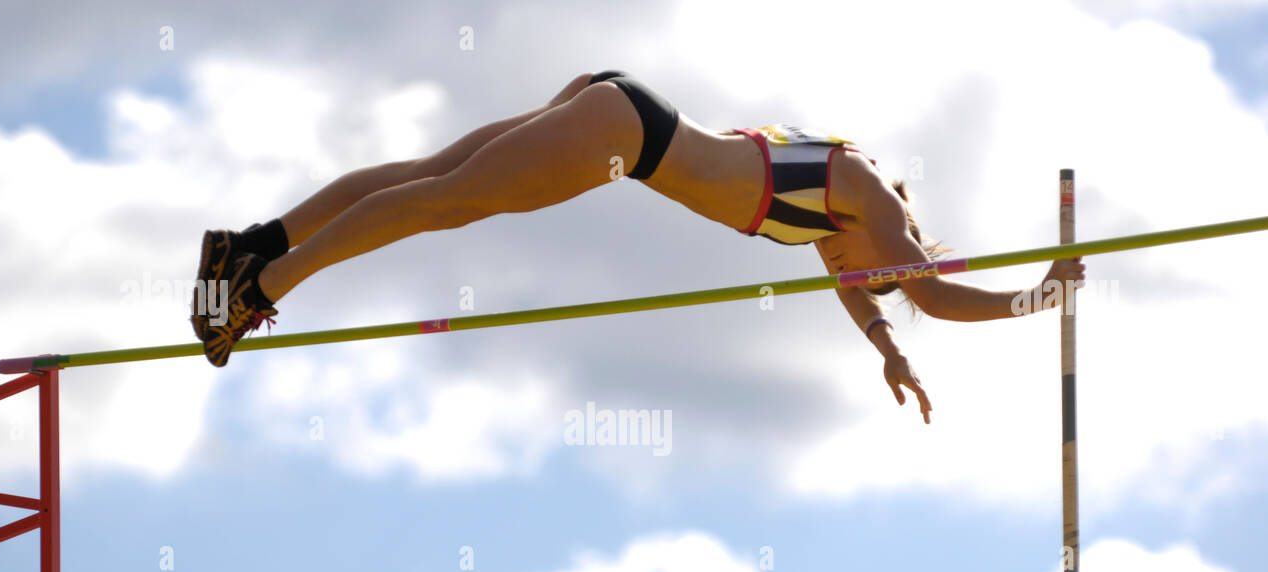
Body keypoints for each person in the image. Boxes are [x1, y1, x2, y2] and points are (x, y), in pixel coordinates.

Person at [192, 70, 1085, 424]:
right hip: (628, 136)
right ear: (897, 237)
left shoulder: (841, 218)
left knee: (436, 178)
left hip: (623, 108)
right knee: (444, 201)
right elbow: (927, 291)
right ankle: (259, 286)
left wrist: (885, 350)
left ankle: (244, 248)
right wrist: (1039, 299)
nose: (867, 284)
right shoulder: (869, 207)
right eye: (877, 278)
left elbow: (864, 290)